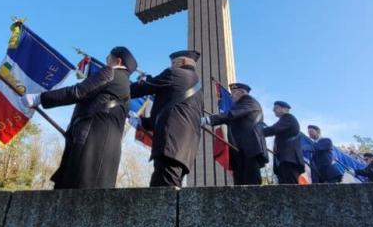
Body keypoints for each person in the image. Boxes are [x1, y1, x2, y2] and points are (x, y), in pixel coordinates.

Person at [21, 46, 137, 189]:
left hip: (90, 140)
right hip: (107, 152)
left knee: (73, 188)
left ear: (118, 61)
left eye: (108, 58)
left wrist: (40, 98)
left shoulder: (110, 72)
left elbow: (78, 91)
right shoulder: (126, 87)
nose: (106, 62)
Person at [130, 50, 204, 188]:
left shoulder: (174, 73)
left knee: (163, 195)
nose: (171, 67)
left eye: (173, 63)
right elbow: (173, 111)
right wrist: (143, 122)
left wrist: (121, 88)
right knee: (168, 188)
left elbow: (144, 88)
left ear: (182, 62)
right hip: (183, 148)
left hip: (170, 145)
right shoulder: (198, 87)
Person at [201, 83, 267, 185]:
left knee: (251, 182)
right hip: (240, 149)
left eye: (234, 93)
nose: (231, 96)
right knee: (240, 183)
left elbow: (231, 114)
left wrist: (208, 120)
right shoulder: (240, 105)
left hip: (250, 149)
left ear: (242, 92)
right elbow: (230, 118)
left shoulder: (249, 101)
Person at [263, 101, 305, 184]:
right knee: (285, 184)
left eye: (276, 108)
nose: (273, 110)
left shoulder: (288, 117)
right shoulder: (284, 120)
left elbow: (274, 129)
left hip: (290, 158)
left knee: (290, 185)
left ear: (285, 109)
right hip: (285, 158)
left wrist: (258, 132)